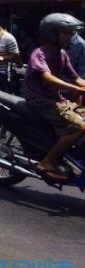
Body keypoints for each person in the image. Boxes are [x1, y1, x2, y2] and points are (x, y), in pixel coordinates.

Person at [24, 13, 85, 183]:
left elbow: (77, 78)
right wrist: (75, 88)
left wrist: (80, 85)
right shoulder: (39, 53)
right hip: (41, 100)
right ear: (52, 33)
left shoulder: (62, 54)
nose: (71, 36)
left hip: (56, 100)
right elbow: (47, 78)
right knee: (80, 126)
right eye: (67, 32)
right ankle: (47, 162)